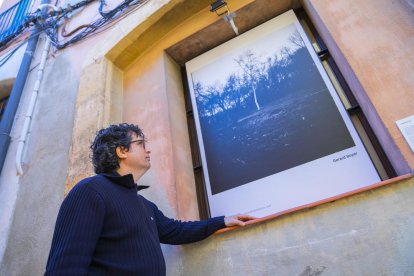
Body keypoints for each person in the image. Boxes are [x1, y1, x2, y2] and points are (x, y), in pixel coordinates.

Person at [45, 123, 255, 275]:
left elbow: (176, 231)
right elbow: (66, 266)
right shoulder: (91, 190)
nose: (149, 149)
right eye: (141, 143)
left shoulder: (145, 206)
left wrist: (221, 221)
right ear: (121, 151)